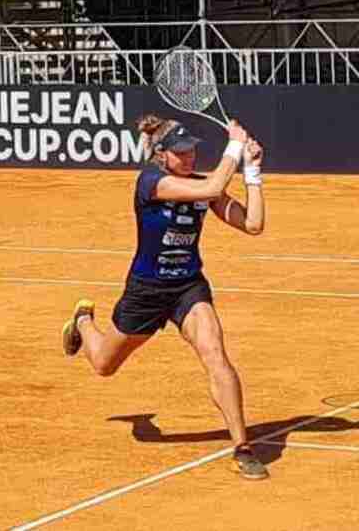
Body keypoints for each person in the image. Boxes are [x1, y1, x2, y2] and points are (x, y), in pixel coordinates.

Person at [61, 114, 269, 480]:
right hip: (146, 291)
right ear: (161, 155)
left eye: (191, 151)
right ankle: (83, 321)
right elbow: (210, 188)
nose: (189, 157)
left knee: (215, 353)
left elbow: (252, 223)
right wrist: (235, 145)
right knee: (104, 366)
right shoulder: (151, 182)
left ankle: (242, 446)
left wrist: (252, 173)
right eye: (181, 152)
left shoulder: (204, 188)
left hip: (188, 286)